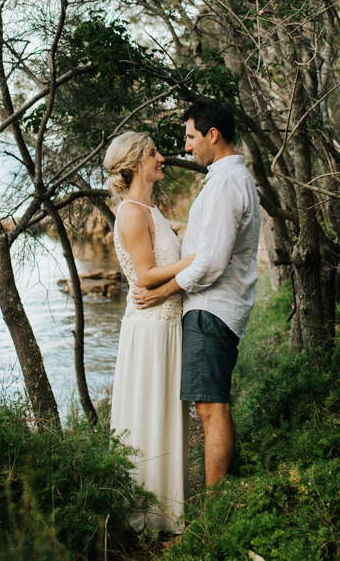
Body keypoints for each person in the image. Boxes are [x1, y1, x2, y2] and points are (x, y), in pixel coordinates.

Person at [133, 98, 260, 490]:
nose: (187, 147)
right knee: (214, 404)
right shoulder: (230, 179)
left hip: (212, 311)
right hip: (216, 309)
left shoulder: (224, 183)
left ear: (212, 135)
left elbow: (210, 262)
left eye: (190, 137)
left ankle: (214, 514)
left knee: (209, 409)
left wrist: (163, 291)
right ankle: (224, 498)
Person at [104, 131, 196, 533]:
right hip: (150, 330)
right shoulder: (130, 213)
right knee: (149, 411)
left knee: (166, 412)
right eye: (153, 153)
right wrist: (195, 260)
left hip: (167, 323)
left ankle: (167, 508)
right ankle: (144, 514)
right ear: (134, 164)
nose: (162, 157)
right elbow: (143, 275)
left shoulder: (149, 207)